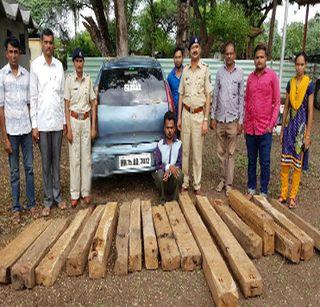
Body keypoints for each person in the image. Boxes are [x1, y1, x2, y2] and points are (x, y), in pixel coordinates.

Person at [30, 28, 67, 216]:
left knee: (56, 161)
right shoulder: (35, 66)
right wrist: (34, 125)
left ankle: (58, 197)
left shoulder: (59, 66)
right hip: (43, 124)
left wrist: (64, 121)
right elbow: (33, 97)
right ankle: (47, 200)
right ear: (41, 43)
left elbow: (61, 97)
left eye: (51, 43)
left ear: (54, 44)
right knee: (45, 163)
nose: (48, 46)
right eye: (45, 42)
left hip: (57, 124)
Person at [0, 36, 36, 223]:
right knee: (14, 172)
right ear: (6, 53)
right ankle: (16, 207)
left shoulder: (26, 76)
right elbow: (1, 109)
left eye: (16, 52)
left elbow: (30, 104)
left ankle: (31, 204)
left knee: (29, 168)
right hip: (12, 133)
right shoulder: (1, 76)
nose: (13, 55)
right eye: (10, 52)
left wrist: (33, 127)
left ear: (20, 54)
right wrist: (4, 137)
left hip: (26, 130)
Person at [244, 43, 280, 199]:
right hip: (250, 128)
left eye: (262, 57)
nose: (259, 60)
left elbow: (277, 102)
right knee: (252, 160)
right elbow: (246, 101)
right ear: (254, 60)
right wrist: (245, 123)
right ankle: (251, 187)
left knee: (264, 161)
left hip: (265, 128)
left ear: (266, 59)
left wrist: (271, 125)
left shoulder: (272, 77)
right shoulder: (250, 78)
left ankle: (263, 191)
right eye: (257, 57)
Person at [177, 36, 212, 195]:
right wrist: (178, 118)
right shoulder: (184, 70)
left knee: (197, 152)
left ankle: (197, 184)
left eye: (197, 47)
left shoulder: (205, 69)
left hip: (199, 116)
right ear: (189, 51)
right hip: (185, 114)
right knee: (185, 151)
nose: (195, 50)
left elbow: (208, 95)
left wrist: (206, 119)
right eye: (192, 48)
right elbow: (180, 95)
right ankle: (185, 181)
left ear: (200, 49)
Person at [279, 52, 314, 209]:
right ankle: (283, 194)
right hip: (289, 127)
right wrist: (282, 130)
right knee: (285, 162)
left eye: (302, 64)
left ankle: (293, 196)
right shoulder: (290, 83)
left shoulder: (310, 85)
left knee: (297, 164)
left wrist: (308, 135)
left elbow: (311, 111)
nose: (299, 67)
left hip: (300, 129)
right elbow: (286, 107)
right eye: (297, 64)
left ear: (305, 65)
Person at [64, 48, 97, 207]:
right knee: (74, 159)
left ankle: (85, 192)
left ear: (84, 63)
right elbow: (66, 104)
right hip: (74, 120)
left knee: (86, 159)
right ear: (73, 63)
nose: (79, 64)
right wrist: (68, 129)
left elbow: (93, 102)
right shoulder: (69, 80)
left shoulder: (88, 80)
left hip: (86, 121)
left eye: (81, 61)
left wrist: (93, 127)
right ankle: (74, 193)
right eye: (76, 61)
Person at [210, 41, 244, 196]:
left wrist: (241, 121)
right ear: (224, 55)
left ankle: (229, 184)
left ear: (234, 55)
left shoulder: (240, 73)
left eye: (231, 53)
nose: (229, 56)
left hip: (232, 121)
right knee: (220, 152)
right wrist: (212, 117)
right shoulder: (219, 73)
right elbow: (215, 96)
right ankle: (222, 180)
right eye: (227, 53)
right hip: (220, 120)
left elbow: (241, 99)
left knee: (231, 153)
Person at [153, 111, 182, 204]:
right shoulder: (160, 144)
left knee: (179, 173)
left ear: (175, 129)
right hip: (162, 181)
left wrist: (171, 170)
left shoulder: (179, 144)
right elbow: (158, 165)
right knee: (160, 173)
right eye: (167, 128)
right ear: (164, 128)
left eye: (171, 128)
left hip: (173, 180)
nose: (169, 131)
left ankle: (174, 200)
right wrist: (168, 167)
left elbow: (179, 163)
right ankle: (162, 199)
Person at [167, 47, 184, 133]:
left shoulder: (187, 73)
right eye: (176, 57)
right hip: (175, 114)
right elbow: (168, 95)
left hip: (186, 113)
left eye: (179, 57)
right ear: (173, 59)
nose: (177, 60)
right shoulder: (170, 77)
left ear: (182, 58)